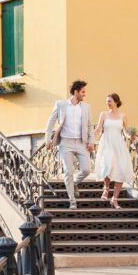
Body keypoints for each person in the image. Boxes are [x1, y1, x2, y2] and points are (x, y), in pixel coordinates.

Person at [44, 80, 93, 209]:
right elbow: (50, 122)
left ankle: (75, 183)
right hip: (66, 143)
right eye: (83, 92)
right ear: (76, 92)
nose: (84, 94)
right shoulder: (61, 105)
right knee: (68, 172)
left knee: (87, 169)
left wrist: (91, 141)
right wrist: (48, 139)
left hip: (81, 143)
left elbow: (89, 126)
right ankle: (72, 200)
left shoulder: (86, 107)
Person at [93, 92, 134, 209]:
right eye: (106, 102)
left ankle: (115, 199)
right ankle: (106, 190)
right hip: (106, 143)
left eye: (109, 101)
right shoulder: (103, 114)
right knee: (107, 166)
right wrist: (92, 140)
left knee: (120, 169)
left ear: (116, 102)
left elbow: (125, 132)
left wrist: (131, 136)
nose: (107, 103)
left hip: (118, 144)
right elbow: (98, 129)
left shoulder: (123, 116)